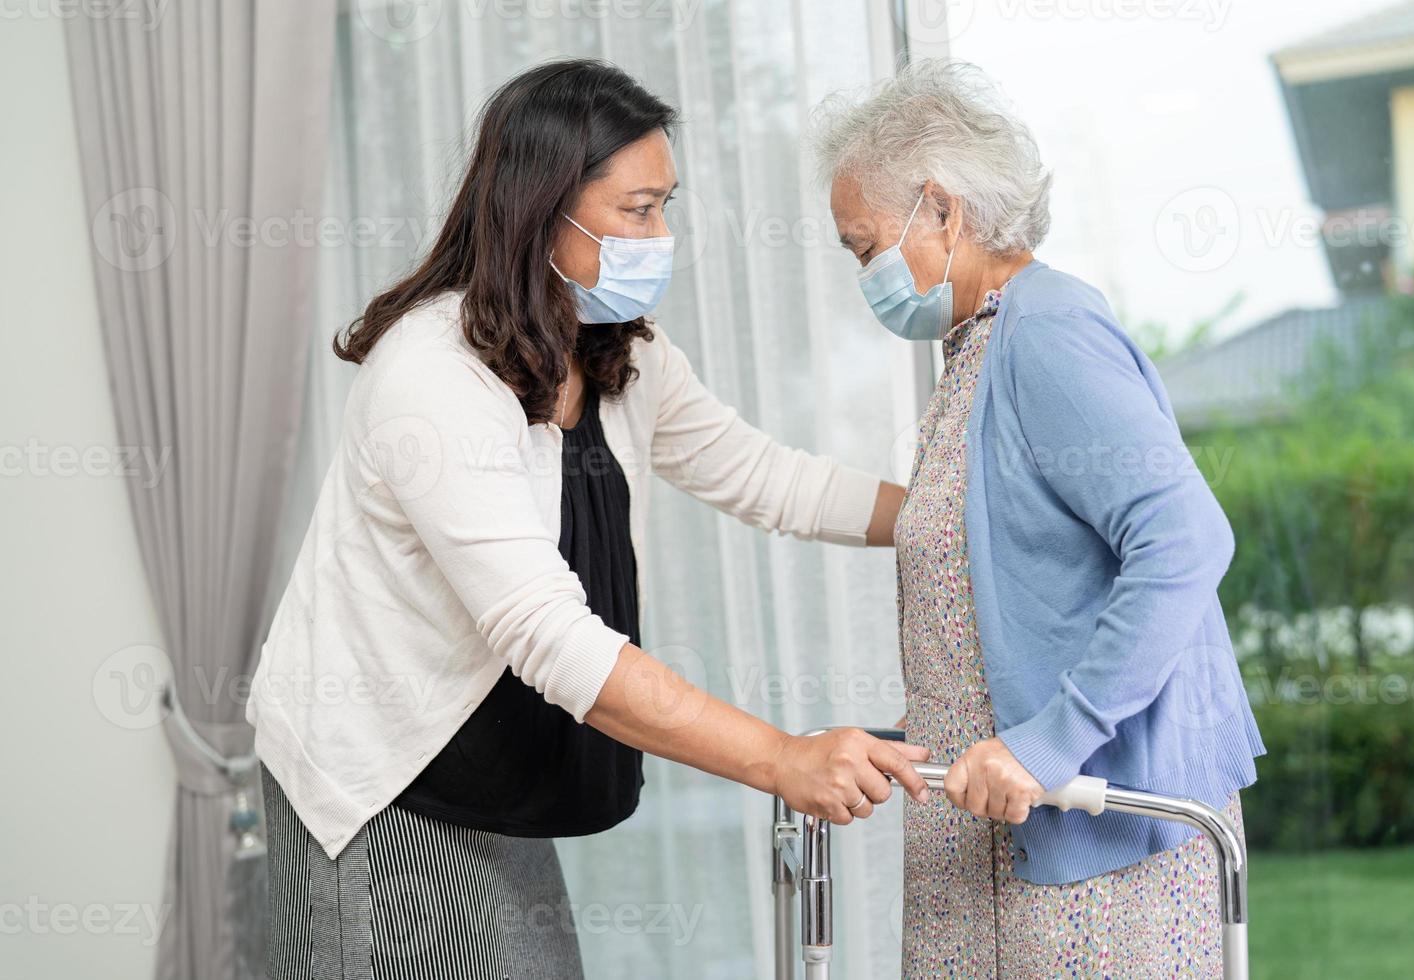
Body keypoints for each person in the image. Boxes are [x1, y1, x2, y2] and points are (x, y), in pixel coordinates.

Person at [246, 59, 930, 980]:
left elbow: (773, 481)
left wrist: (947, 518)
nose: (664, 235)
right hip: (381, 781)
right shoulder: (433, 377)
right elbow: (551, 637)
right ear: (542, 212)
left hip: (492, 770)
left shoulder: (612, 353)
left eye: (666, 207)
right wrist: (780, 759)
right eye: (638, 210)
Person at [811, 58, 1266, 977]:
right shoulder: (978, 344)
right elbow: (1012, 594)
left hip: (1087, 838)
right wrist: (914, 740)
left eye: (864, 247)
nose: (863, 274)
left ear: (943, 210)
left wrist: (1047, 741)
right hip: (987, 829)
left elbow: (1184, 539)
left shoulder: (1047, 333)